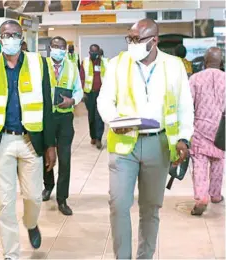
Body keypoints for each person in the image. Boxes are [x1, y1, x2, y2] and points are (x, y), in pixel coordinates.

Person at [97, 18, 194, 259]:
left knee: (150, 209)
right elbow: (104, 100)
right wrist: (114, 120)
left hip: (158, 144)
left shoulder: (174, 66)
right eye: (129, 38)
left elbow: (185, 106)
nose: (132, 44)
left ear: (154, 40)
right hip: (124, 144)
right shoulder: (118, 64)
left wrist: (184, 138)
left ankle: (145, 256)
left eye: (137, 40)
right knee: (118, 205)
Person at [0, 20, 56, 259]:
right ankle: (11, 254)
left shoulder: (39, 63)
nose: (9, 38)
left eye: (14, 34)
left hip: (31, 141)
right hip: (2, 142)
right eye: (5, 34)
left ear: (22, 38)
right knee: (4, 202)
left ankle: (31, 223)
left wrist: (50, 145)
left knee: (33, 197)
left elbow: (47, 108)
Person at [41, 36, 83, 216]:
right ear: (50, 48)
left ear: (66, 49)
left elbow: (79, 90)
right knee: (46, 156)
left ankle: (62, 199)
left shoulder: (72, 67)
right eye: (55, 46)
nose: (58, 49)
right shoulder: (41, 66)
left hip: (65, 119)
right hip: (46, 117)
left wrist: (72, 100)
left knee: (64, 160)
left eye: (61, 47)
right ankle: (48, 185)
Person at [189, 47, 225, 215]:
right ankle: (216, 195)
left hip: (200, 127)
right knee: (218, 161)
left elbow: (188, 105)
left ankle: (202, 196)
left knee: (200, 162)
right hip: (221, 128)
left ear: (204, 62)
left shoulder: (195, 79)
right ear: (221, 62)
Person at [80, 44, 106, 149]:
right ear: (89, 52)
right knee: (91, 116)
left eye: (95, 52)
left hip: (101, 93)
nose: (93, 54)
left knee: (99, 116)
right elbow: (81, 77)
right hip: (89, 94)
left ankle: (99, 138)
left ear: (99, 52)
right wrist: (82, 92)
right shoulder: (85, 62)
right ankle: (93, 137)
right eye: (92, 52)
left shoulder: (105, 62)